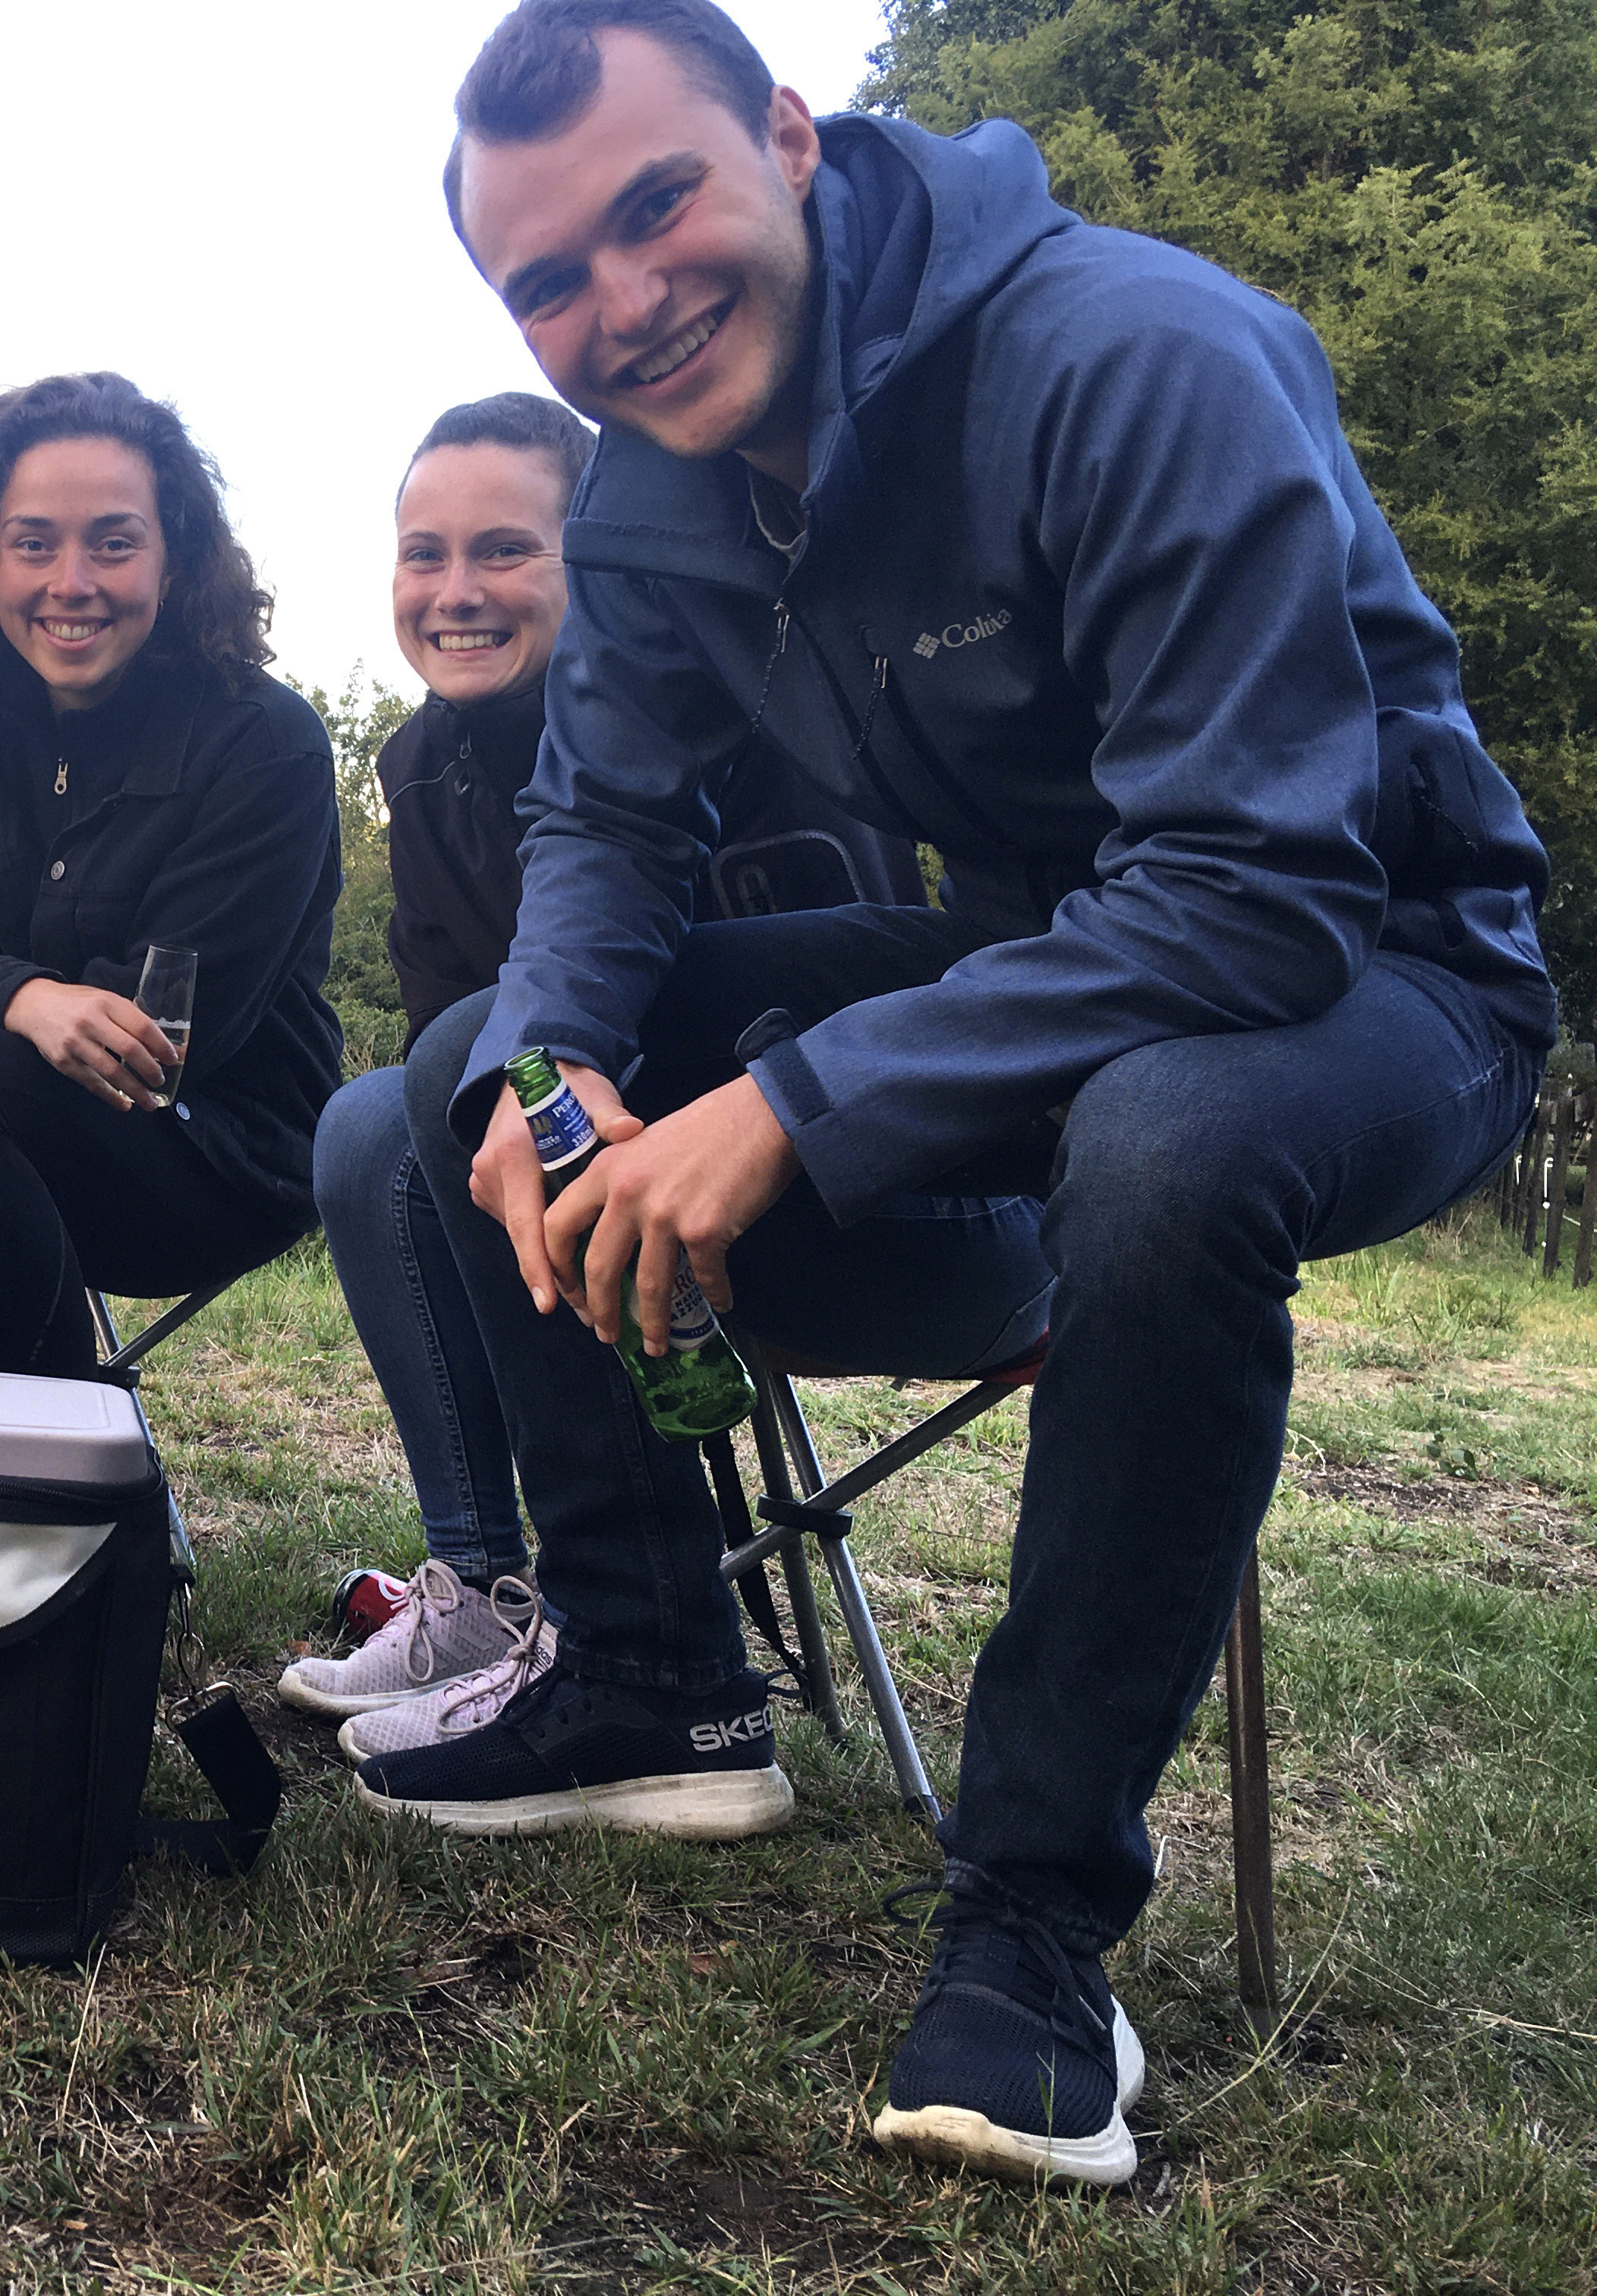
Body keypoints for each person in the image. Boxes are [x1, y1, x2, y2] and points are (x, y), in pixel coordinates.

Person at [351, 0, 1554, 2190]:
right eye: (546, 281)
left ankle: (1031, 1931)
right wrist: (550, 1072)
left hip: (1386, 962)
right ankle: (649, 1672)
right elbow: (605, 834)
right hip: (1055, 953)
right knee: (465, 1075)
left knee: (1172, 1138)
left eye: (659, 209)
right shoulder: (640, 499)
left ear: (791, 141)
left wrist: (791, 1105)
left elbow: (1260, 899)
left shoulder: (1132, 355)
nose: (619, 306)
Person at [284, 390, 921, 1739]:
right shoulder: (423, 765)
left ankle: (643, 1647)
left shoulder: (731, 705)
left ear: (600, 562)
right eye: (424, 553)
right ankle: (486, 1583)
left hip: (805, 1174)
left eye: (505, 550)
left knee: (467, 1073)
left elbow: (847, 981)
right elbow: (449, 1057)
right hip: (567, 1211)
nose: (457, 592)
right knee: (372, 1122)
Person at [0, 372, 344, 1377]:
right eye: (34, 541)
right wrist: (26, 996)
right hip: (5, 1128)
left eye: (115, 542)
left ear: (174, 562)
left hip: (217, 1155)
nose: (71, 581)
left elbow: (160, 1038)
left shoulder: (267, 744)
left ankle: (80, 1484)